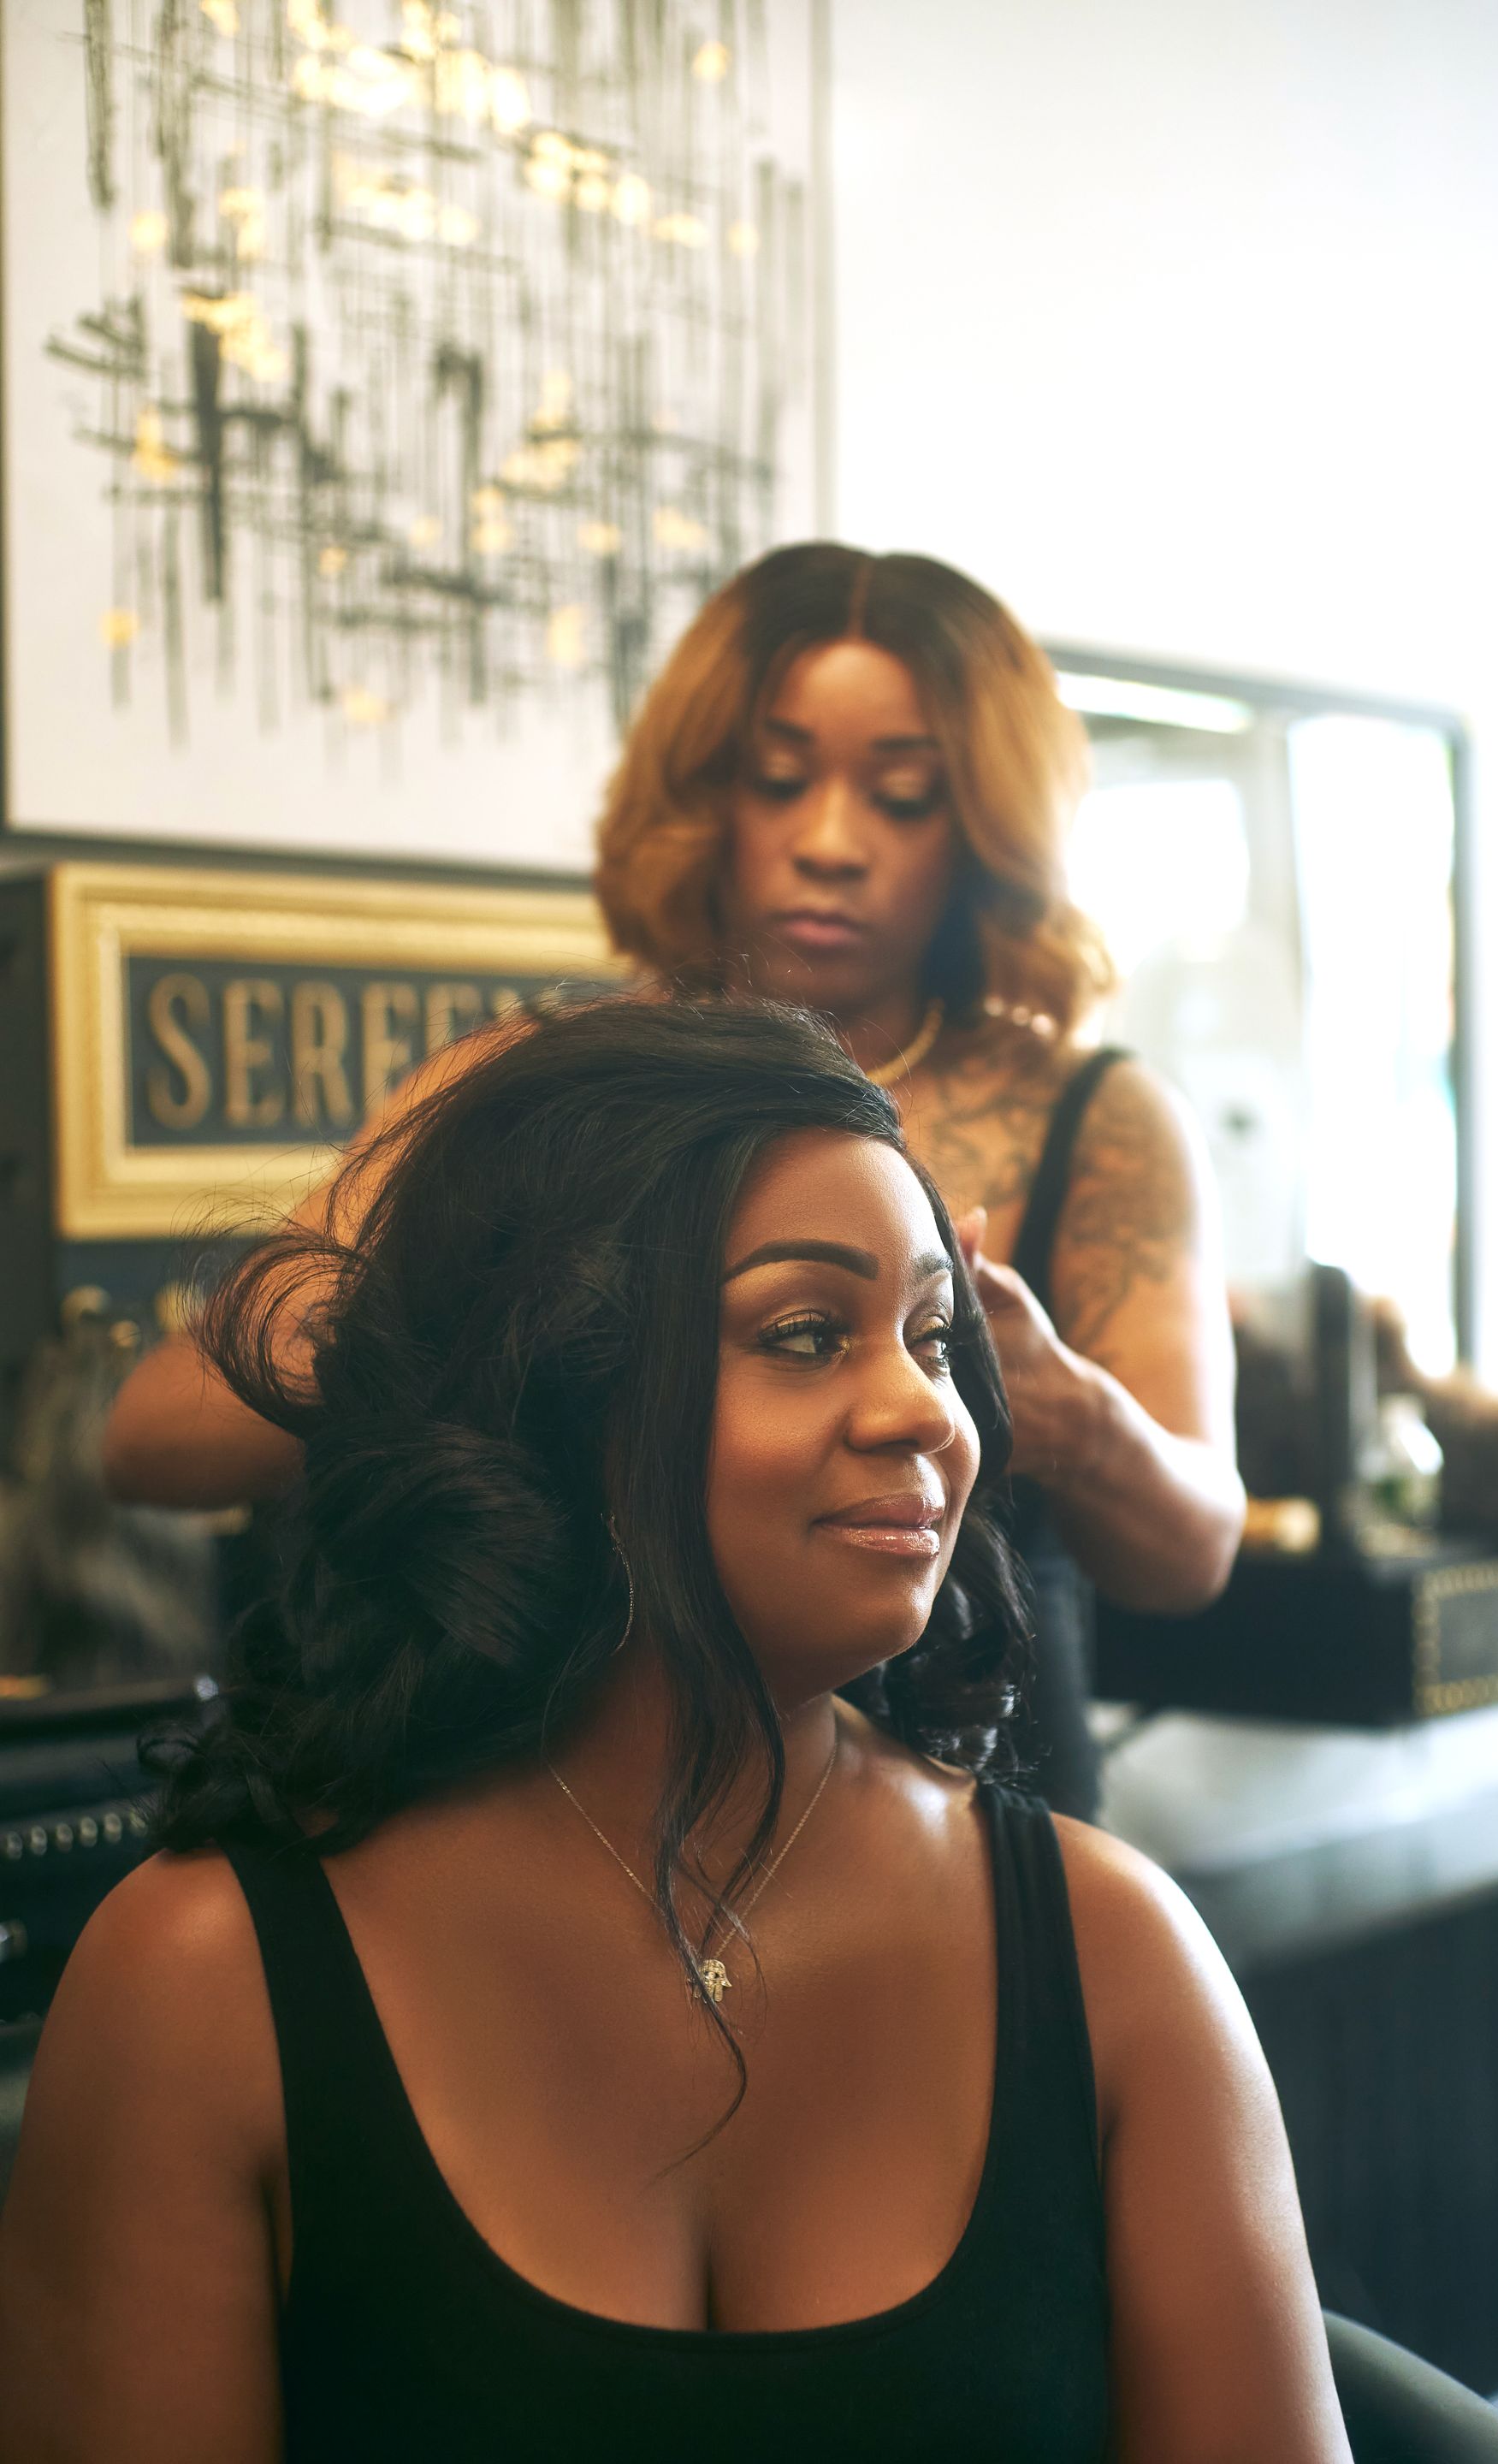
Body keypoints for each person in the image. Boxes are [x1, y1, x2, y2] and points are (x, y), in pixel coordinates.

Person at [3, 1003, 1348, 2462]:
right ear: (551, 1391)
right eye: (805, 1334)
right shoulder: (201, 1989)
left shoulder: (1113, 1956)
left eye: (932, 1336)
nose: (927, 1411)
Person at [104, 543, 1243, 1821]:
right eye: (778, 780)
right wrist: (458, 1304)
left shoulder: (1097, 1121)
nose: (831, 843)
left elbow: (1194, 1550)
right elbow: (151, 1440)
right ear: (705, 796)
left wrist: (1070, 1414)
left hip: (965, 1811)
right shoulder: (530, 1095)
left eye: (904, 797)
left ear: (985, 826)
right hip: (568, 1828)